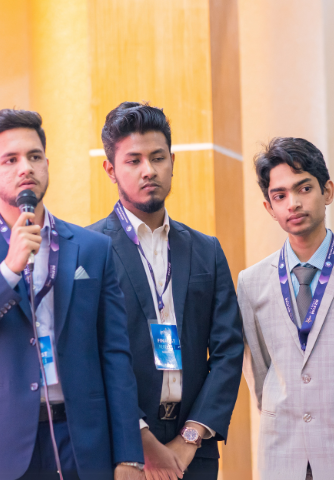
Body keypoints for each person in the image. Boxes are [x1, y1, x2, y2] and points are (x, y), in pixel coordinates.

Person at [0, 109, 144, 480]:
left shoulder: (92, 248)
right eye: (10, 160)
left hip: (81, 439)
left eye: (34, 156)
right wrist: (8, 270)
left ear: (47, 164)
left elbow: (115, 353)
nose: (26, 168)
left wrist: (129, 455)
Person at [87, 102, 243, 480]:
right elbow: (88, 357)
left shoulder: (206, 249)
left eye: (158, 158)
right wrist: (143, 440)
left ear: (173, 161)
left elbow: (229, 349)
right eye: (134, 160)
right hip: (123, 452)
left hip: (194, 453)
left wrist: (190, 439)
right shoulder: (89, 250)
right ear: (111, 170)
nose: (149, 170)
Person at [238, 137, 334, 480]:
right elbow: (260, 371)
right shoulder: (251, 282)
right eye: (280, 196)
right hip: (284, 454)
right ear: (269, 208)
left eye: (304, 188)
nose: (293, 203)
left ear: (327, 191)